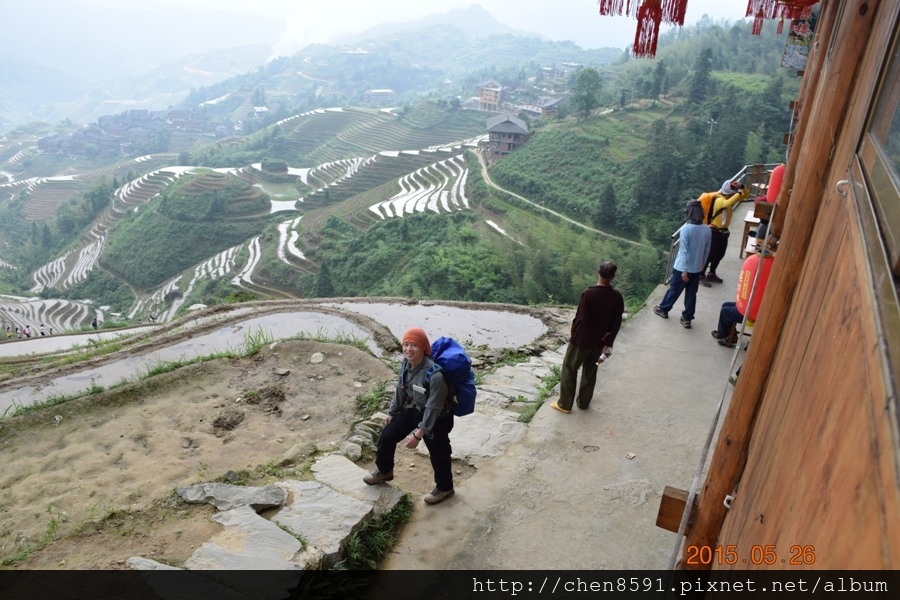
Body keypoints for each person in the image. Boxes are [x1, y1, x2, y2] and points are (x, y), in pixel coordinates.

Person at [364, 327, 455, 505]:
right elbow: (401, 389)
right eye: (406, 344)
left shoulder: (435, 375)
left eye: (414, 345)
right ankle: (384, 470)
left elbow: (433, 407)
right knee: (387, 435)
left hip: (437, 418)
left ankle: (445, 488)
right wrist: (392, 412)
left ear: (423, 348)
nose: (408, 349)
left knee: (438, 452)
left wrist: (419, 434)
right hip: (415, 409)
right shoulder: (406, 364)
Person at [551, 260, 624, 413]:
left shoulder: (589, 294)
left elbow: (584, 319)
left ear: (598, 271)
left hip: (581, 340)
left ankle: (565, 404)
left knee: (570, 368)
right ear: (613, 276)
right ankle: (583, 403)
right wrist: (607, 341)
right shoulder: (616, 296)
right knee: (591, 371)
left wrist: (600, 334)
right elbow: (617, 322)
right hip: (599, 344)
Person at [654, 199, 712, 329]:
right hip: (697, 268)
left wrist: (685, 270)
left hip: (682, 268)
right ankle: (687, 318)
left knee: (674, 290)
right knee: (691, 293)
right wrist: (701, 266)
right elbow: (707, 250)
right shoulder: (707, 229)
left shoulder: (686, 229)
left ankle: (664, 309)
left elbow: (684, 251)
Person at [699, 180, 750, 287]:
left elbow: (747, 195)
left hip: (724, 231)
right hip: (714, 231)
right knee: (710, 255)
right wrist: (739, 192)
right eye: (732, 191)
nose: (733, 193)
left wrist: (742, 187)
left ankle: (711, 273)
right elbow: (728, 203)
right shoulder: (719, 199)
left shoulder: (728, 198)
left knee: (719, 254)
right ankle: (701, 274)